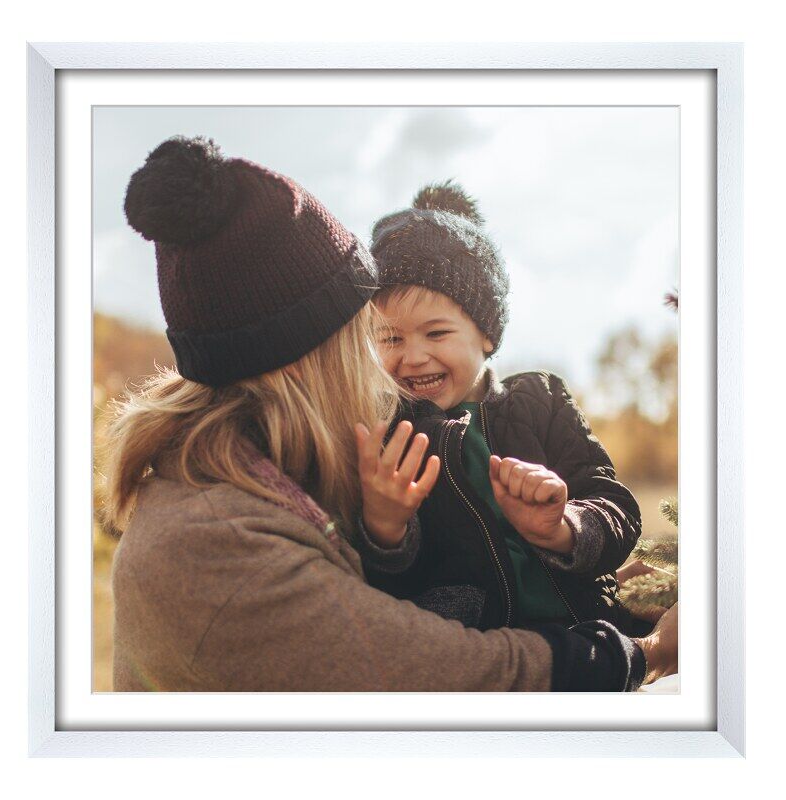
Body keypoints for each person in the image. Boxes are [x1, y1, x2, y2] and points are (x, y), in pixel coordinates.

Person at [106, 136, 676, 692]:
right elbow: (434, 671)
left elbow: (605, 498)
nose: (397, 358)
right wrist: (646, 656)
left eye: (436, 332)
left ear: (486, 334)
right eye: (374, 332)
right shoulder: (222, 544)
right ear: (303, 357)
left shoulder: (277, 467)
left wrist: (573, 535)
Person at [358, 181, 652, 636]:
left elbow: (616, 506)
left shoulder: (541, 400)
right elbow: (384, 586)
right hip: (479, 652)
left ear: (486, 335)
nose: (413, 357)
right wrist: (384, 526)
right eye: (392, 338)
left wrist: (564, 526)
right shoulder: (388, 433)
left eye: (436, 334)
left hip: (591, 630)